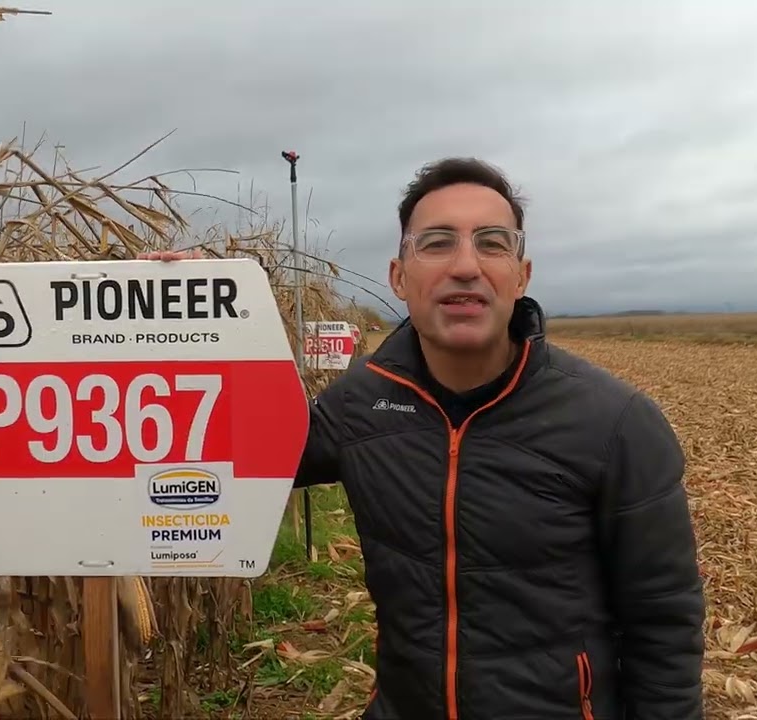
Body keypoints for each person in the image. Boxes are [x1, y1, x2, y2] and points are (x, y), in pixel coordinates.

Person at [140, 156, 706, 720]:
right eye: (437, 243)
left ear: (521, 274)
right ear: (399, 276)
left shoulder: (615, 424)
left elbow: (663, 623)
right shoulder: (360, 403)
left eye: (492, 243)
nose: (465, 265)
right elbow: (237, 451)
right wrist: (184, 323)